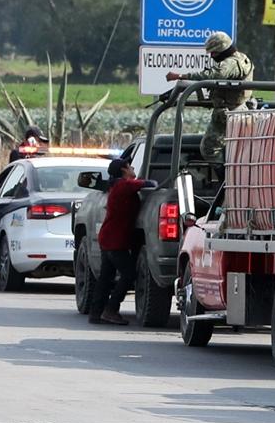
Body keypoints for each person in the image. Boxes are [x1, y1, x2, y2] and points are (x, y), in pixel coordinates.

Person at [165, 31, 254, 161]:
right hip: (236, 110)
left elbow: (215, 75)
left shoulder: (230, 63)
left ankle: (225, 178)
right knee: (233, 149)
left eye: (214, 53)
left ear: (222, 50)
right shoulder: (241, 58)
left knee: (209, 149)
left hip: (229, 112)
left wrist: (181, 75)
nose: (212, 56)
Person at [89, 158, 156, 325]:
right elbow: (149, 183)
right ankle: (111, 309)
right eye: (130, 166)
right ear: (124, 170)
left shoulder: (117, 186)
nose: (133, 168)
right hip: (115, 241)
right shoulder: (123, 185)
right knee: (129, 274)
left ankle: (96, 313)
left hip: (110, 238)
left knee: (106, 277)